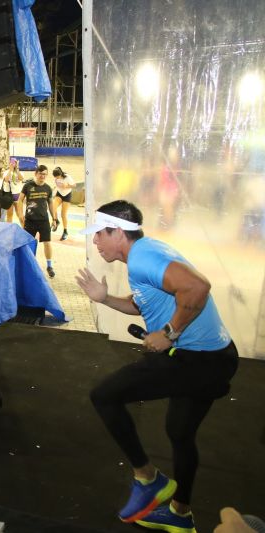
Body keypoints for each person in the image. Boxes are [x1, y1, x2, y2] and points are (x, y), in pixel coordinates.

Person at [76, 200, 238, 533]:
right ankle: (180, 514)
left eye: (99, 235)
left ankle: (147, 478)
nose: (95, 242)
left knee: (104, 396)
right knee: (180, 434)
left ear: (118, 232)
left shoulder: (143, 258)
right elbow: (145, 302)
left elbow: (197, 288)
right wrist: (104, 298)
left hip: (198, 361)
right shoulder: (145, 254)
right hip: (217, 358)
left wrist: (169, 333)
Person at [18, 165, 58, 278]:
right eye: (41, 174)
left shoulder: (48, 188)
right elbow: (20, 200)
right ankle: (29, 265)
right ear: (36, 174)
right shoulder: (28, 186)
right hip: (30, 220)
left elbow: (50, 203)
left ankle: (49, 266)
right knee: (28, 243)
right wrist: (20, 215)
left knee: (47, 242)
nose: (43, 176)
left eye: (45, 174)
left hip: (44, 220)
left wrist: (54, 218)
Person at [52, 166, 75, 241]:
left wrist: (67, 186)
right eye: (55, 177)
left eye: (57, 177)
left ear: (60, 174)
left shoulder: (67, 177)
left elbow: (74, 185)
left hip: (67, 195)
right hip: (59, 194)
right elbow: (56, 185)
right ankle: (56, 220)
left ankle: (65, 231)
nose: (57, 178)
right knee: (52, 207)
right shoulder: (56, 178)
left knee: (63, 214)